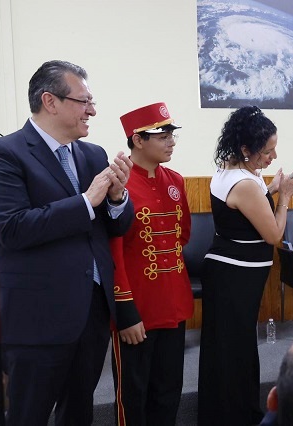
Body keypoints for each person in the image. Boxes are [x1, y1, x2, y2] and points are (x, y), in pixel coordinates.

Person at [0, 60, 134, 425]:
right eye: (83, 101)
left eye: (92, 100)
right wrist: (87, 201)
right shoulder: (6, 153)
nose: (93, 110)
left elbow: (114, 228)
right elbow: (14, 229)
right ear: (50, 101)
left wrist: (117, 198)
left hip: (91, 311)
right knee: (29, 414)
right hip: (38, 315)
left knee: (79, 412)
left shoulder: (93, 155)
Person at [198, 105, 293, 425]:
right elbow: (273, 234)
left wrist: (271, 188)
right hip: (234, 276)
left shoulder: (234, 170)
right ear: (246, 149)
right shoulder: (243, 183)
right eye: (266, 152)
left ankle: (234, 412)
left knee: (233, 348)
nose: (272, 157)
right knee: (233, 352)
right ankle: (234, 416)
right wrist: (285, 196)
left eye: (274, 149)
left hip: (232, 273)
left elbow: (250, 204)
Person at [109, 103, 194, 425]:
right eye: (162, 135)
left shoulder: (175, 180)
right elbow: (111, 251)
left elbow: (181, 235)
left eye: (172, 134)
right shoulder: (117, 183)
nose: (171, 141)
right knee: (133, 392)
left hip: (173, 300)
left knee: (168, 388)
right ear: (138, 140)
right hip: (137, 306)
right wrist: (125, 309)